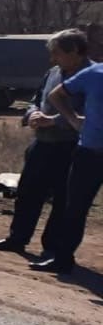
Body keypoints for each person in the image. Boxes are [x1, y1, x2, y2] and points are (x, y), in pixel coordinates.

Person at [0, 29, 91, 256]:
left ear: (74, 52)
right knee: (28, 192)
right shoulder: (53, 72)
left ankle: (52, 248)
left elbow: (92, 113)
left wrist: (53, 121)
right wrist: (31, 114)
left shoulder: (92, 75)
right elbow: (36, 100)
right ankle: (17, 238)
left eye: (57, 53)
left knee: (63, 199)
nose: (53, 59)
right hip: (42, 143)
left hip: (71, 146)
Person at [45, 42, 103, 274]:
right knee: (75, 207)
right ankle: (62, 259)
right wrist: (72, 119)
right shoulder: (94, 73)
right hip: (90, 152)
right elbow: (56, 95)